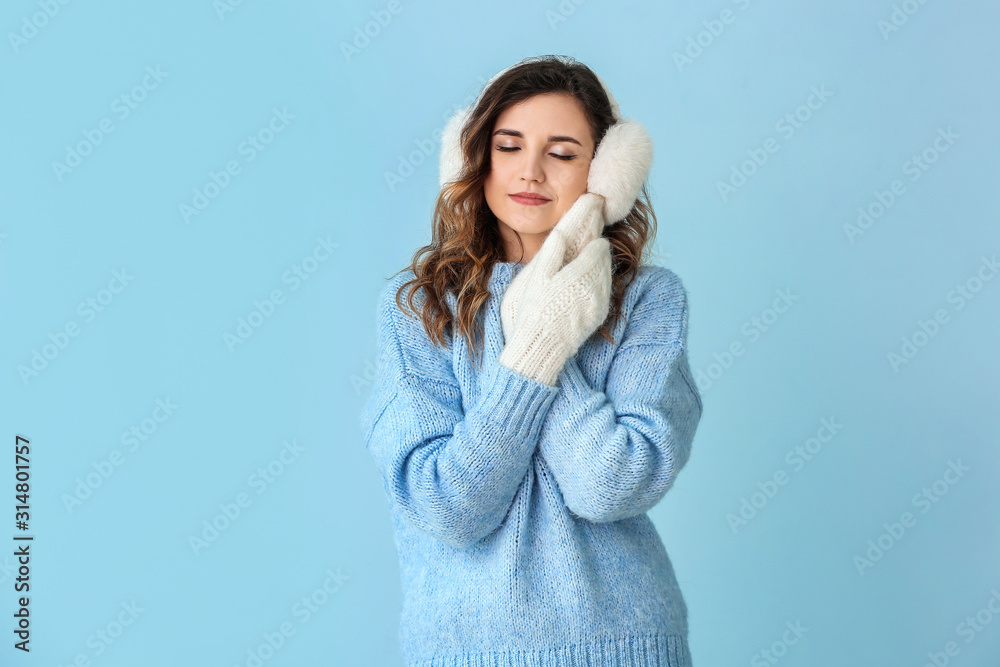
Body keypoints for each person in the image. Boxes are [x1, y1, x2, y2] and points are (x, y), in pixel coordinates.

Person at [359, 54, 704, 667]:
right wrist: (534, 345)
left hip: (623, 645)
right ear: (474, 158)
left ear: (607, 173)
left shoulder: (650, 300)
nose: (531, 172)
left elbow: (610, 484)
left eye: (563, 152)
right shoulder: (416, 307)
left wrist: (556, 322)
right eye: (509, 145)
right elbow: (448, 506)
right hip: (466, 650)